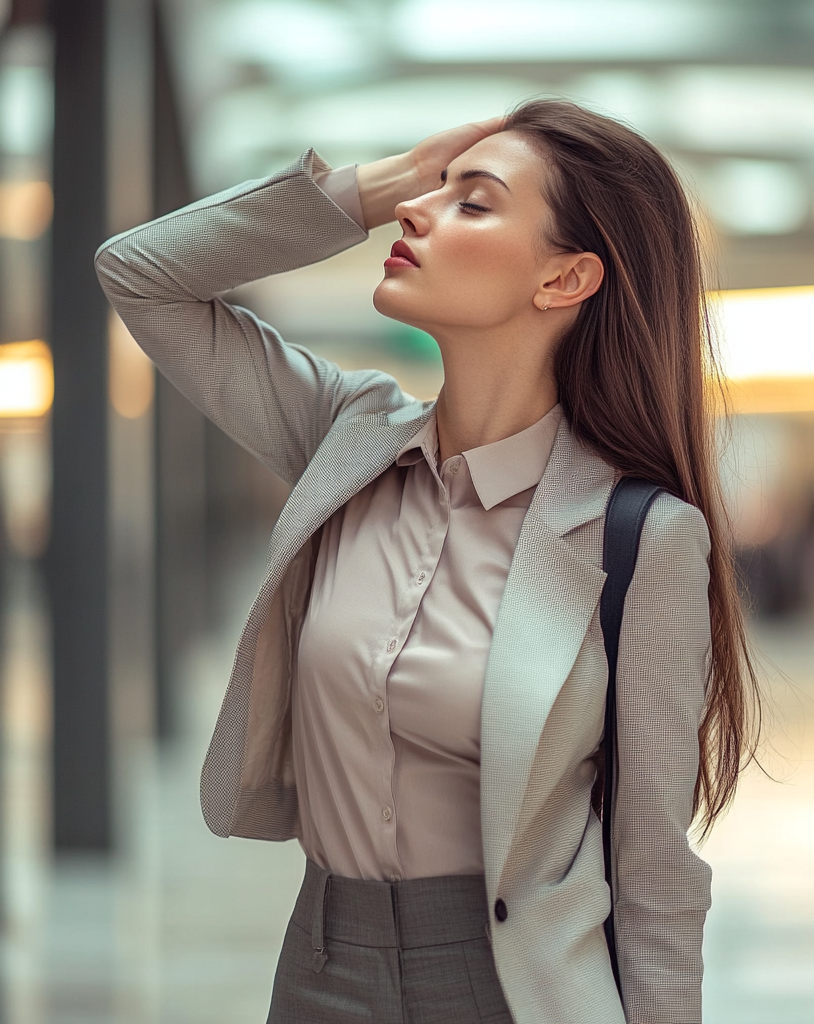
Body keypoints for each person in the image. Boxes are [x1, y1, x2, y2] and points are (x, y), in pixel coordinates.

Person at [95, 100, 758, 1024]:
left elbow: (652, 870)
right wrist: (374, 188)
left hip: (513, 983)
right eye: (431, 195)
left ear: (567, 278)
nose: (421, 214)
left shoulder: (641, 536)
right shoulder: (347, 439)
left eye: (472, 204)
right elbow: (138, 273)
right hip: (321, 967)